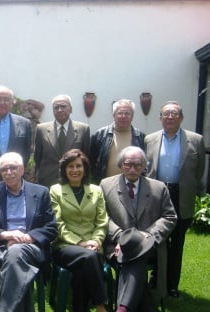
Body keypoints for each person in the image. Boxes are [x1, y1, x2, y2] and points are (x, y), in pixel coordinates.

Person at [0, 152, 58, 312]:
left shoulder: (40, 192)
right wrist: (6, 235)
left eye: (13, 167)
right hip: (1, 248)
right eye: (4, 169)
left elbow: (51, 228)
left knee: (15, 252)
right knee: (15, 263)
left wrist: (27, 238)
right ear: (0, 173)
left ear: (22, 169)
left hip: (33, 247)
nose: (9, 172)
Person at [100, 146, 177, 312]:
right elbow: (102, 217)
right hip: (117, 245)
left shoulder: (158, 187)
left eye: (138, 164)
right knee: (135, 257)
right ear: (120, 165)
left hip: (150, 245)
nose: (133, 169)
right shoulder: (106, 186)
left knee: (137, 255)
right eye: (128, 164)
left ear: (144, 166)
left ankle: (123, 307)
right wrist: (122, 237)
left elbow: (170, 217)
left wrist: (148, 235)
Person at [144, 101, 205, 298]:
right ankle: (155, 279)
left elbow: (199, 170)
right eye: (166, 114)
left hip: (181, 195)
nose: (170, 117)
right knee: (156, 238)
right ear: (160, 118)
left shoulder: (196, 140)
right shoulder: (150, 139)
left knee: (177, 243)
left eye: (174, 114)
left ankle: (171, 285)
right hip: (157, 194)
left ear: (181, 117)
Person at [50, 149, 108, 312]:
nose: (75, 170)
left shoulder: (96, 190)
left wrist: (96, 241)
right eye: (70, 166)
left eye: (78, 166)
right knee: (89, 257)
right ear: (64, 169)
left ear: (85, 169)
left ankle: (79, 308)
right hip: (65, 246)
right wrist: (81, 242)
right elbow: (58, 224)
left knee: (82, 267)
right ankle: (101, 305)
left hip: (93, 246)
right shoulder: (55, 191)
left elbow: (102, 222)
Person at [34, 94, 90, 187]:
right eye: (56, 107)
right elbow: (37, 158)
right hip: (47, 181)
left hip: (73, 180)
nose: (59, 110)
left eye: (63, 106)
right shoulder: (41, 129)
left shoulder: (83, 129)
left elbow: (86, 158)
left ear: (71, 109)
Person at [90, 99, 145, 184]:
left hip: (132, 187)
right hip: (105, 186)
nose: (123, 116)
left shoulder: (140, 137)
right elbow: (91, 163)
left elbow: (144, 165)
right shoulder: (100, 135)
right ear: (114, 115)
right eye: (120, 113)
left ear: (132, 116)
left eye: (127, 113)